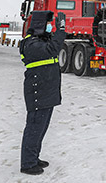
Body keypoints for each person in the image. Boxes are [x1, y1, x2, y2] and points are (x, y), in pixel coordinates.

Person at [19, 10, 65, 175]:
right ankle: (28, 164)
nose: (50, 26)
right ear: (39, 25)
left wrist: (55, 32)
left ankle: (34, 157)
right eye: (48, 23)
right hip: (38, 91)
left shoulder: (40, 40)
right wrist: (61, 30)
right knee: (34, 127)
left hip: (46, 90)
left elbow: (51, 45)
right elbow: (52, 49)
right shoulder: (30, 43)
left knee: (41, 127)